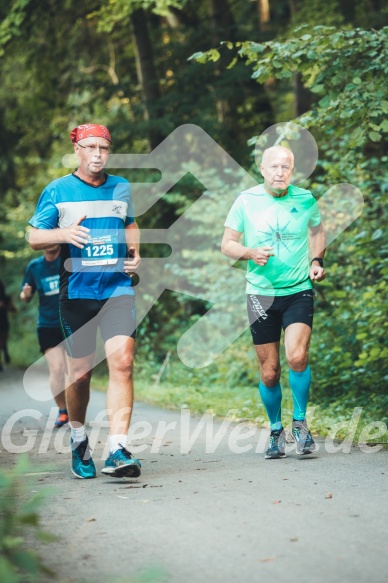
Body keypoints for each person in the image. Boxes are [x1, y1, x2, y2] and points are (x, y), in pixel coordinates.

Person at [28, 123, 142, 480]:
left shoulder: (120, 186)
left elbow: (131, 224)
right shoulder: (58, 190)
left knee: (122, 363)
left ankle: (118, 448)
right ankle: (79, 440)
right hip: (76, 293)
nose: (97, 154)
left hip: (117, 289)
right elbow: (34, 236)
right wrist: (63, 233)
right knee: (80, 374)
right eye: (90, 147)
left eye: (104, 148)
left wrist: (136, 253)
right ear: (77, 150)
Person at [221, 145, 326, 459]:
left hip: (298, 289)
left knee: (297, 357)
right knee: (269, 372)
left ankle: (300, 422)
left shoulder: (305, 198)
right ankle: (275, 429)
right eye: (274, 167)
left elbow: (318, 231)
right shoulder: (245, 201)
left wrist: (317, 259)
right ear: (262, 169)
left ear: (292, 171)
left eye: (286, 167)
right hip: (260, 294)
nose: (280, 173)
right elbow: (227, 244)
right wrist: (250, 253)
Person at [20, 245, 69, 428]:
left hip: (71, 322)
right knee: (57, 369)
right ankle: (63, 412)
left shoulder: (67, 259)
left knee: (73, 371)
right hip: (47, 325)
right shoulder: (34, 266)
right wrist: (25, 295)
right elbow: (25, 295)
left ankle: (76, 410)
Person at [0, 280, 15, 371]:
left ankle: (5, 350)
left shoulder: (5, 298)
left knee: (3, 339)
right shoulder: (5, 298)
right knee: (2, 340)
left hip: (3, 321)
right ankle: (4, 352)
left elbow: (12, 309)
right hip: (4, 321)